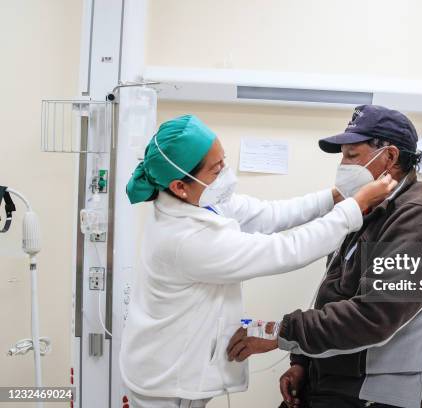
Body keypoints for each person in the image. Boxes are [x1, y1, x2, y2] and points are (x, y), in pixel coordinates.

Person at [118, 114, 396, 408]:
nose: (226, 173)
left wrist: (335, 196)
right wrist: (356, 205)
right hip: (165, 382)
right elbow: (287, 249)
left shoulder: (200, 200)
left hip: (179, 369)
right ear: (179, 186)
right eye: (216, 169)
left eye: (223, 160)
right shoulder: (185, 238)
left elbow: (270, 214)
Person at [226, 105, 422, 408]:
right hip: (333, 380)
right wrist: (303, 364)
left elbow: (373, 317)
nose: (343, 165)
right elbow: (335, 293)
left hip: (374, 395)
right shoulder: (368, 208)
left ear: (389, 157)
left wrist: (280, 332)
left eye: (351, 155)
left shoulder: (420, 222)